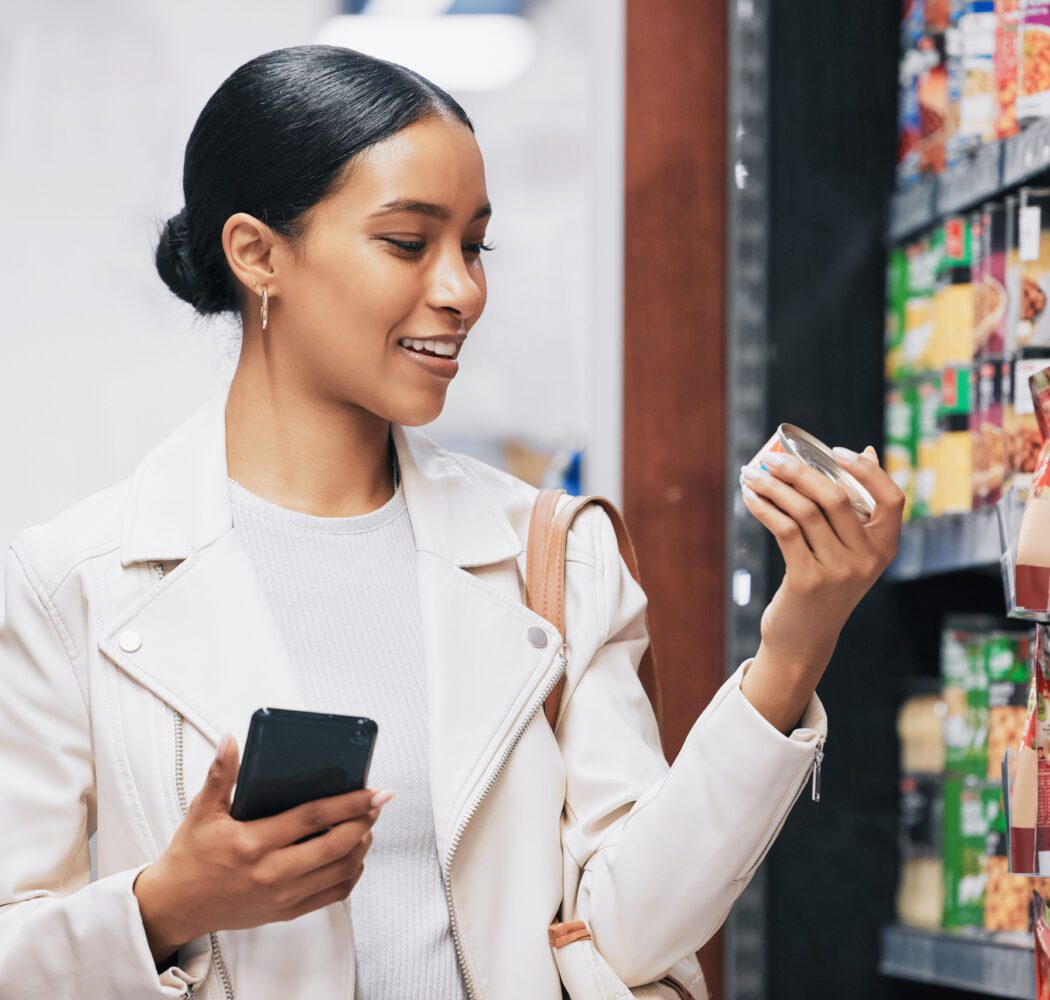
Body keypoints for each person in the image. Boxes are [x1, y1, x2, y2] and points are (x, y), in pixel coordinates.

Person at [0, 44, 903, 1000]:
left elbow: (632, 931)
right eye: (407, 243)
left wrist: (798, 641)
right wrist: (167, 904)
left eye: (474, 245)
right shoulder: (74, 585)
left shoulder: (553, 555)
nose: (462, 291)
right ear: (257, 253)